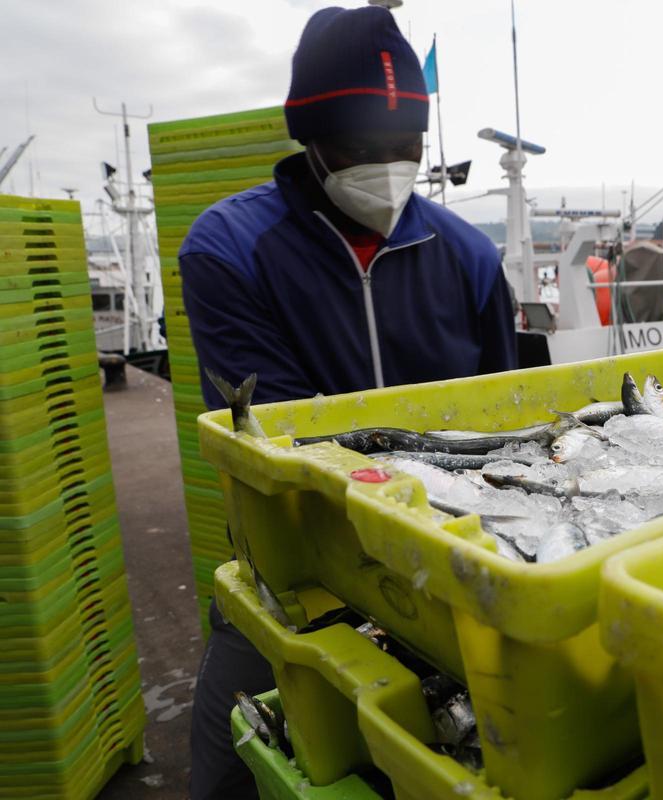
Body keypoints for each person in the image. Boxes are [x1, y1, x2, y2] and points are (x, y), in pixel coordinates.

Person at [180, 7, 517, 798]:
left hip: (446, 573)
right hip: (292, 576)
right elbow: (287, 440)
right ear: (311, 138)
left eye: (408, 150)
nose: (389, 169)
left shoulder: (468, 256)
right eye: (365, 151)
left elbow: (503, 423)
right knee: (232, 769)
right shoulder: (229, 250)